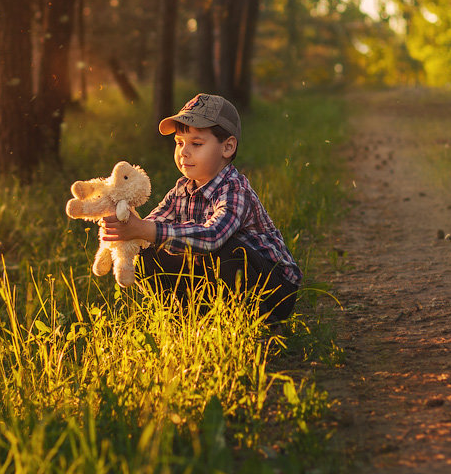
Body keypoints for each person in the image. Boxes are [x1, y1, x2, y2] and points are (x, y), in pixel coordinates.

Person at [100, 93, 301, 322]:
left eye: (196, 144)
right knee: (147, 252)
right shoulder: (181, 190)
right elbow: (153, 224)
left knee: (227, 250)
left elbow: (212, 236)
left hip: (273, 288)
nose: (184, 152)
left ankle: (257, 322)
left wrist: (145, 230)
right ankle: (185, 318)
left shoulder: (235, 190)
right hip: (219, 278)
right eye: (179, 143)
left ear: (227, 147)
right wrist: (129, 227)